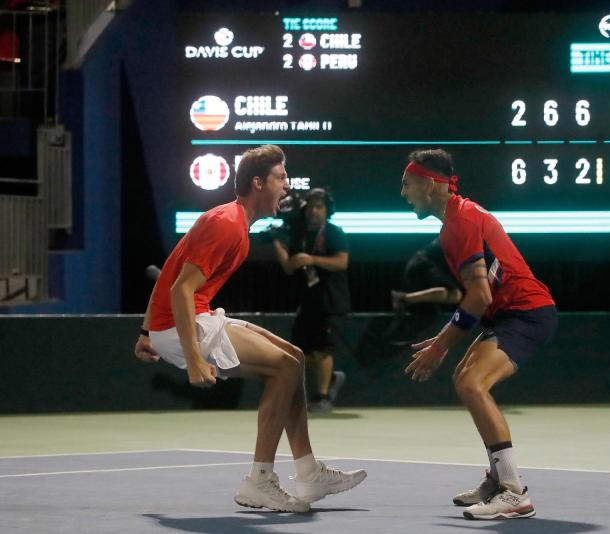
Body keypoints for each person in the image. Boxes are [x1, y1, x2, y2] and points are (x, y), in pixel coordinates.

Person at [133, 145, 366, 513]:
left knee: (294, 357)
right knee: (284, 368)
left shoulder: (233, 221)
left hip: (183, 320)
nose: (287, 186)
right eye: (281, 177)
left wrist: (147, 332)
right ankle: (260, 481)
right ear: (258, 183)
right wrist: (193, 359)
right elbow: (181, 288)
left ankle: (308, 471)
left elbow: (173, 267)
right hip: (184, 324)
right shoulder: (227, 224)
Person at [400, 149, 557, 521]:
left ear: (429, 184)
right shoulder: (455, 222)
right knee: (465, 381)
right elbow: (477, 295)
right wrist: (442, 339)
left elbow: (479, 295)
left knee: (472, 384)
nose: (403, 193)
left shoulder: (462, 221)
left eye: (407, 184)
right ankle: (496, 479)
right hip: (504, 315)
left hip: (526, 313)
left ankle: (514, 492)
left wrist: (440, 347)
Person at [273, 188, 351, 413]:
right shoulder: (299, 235)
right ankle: (331, 379)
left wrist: (311, 259)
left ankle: (323, 397)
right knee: (302, 350)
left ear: (327, 210)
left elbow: (342, 262)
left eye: (320, 207)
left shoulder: (335, 232)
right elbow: (289, 267)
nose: (314, 211)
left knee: (321, 349)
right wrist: (279, 246)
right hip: (307, 300)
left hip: (329, 299)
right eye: (312, 207)